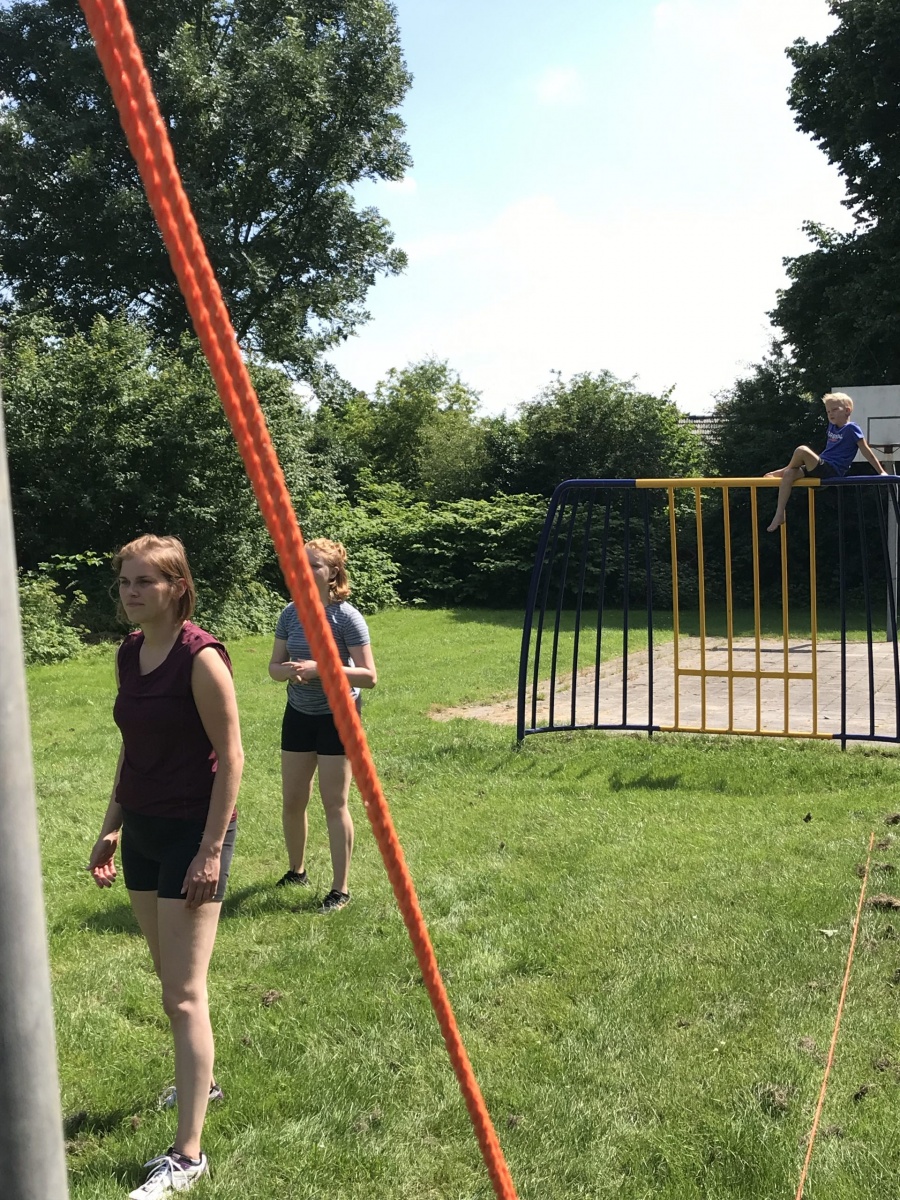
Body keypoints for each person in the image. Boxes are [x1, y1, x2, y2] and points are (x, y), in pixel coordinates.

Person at [88, 535, 243, 1199]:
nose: (130, 592)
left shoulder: (200, 658)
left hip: (192, 832)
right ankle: (202, 1083)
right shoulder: (129, 652)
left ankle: (188, 1155)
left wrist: (211, 849)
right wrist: (111, 826)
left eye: (145, 582)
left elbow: (232, 758)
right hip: (145, 830)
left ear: (177, 587)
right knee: (169, 981)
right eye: (125, 581)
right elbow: (131, 748)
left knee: (183, 994)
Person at [268, 538, 376, 912]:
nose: (304, 570)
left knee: (334, 803)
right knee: (293, 800)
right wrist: (288, 672)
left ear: (333, 573)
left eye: (314, 565)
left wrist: (322, 669)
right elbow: (273, 667)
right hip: (298, 715)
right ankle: (296, 871)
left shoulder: (346, 617)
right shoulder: (290, 614)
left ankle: (340, 889)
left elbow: (369, 676)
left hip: (338, 718)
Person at [766, 392, 887, 531]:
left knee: (802, 450)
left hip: (832, 469)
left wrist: (881, 472)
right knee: (789, 475)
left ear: (847, 411)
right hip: (822, 466)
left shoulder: (852, 429)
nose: (830, 414)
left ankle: (782, 470)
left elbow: (866, 451)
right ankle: (780, 513)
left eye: (834, 410)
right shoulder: (832, 426)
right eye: (828, 411)